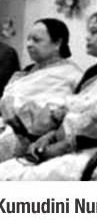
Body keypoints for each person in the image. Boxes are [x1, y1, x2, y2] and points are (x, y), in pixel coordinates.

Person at [0, 9, 97, 180]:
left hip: (95, 151)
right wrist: (50, 137)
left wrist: (63, 145)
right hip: (60, 142)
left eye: (94, 32)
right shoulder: (95, 71)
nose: (87, 37)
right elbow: (72, 113)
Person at [0, 18, 81, 162]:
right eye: (28, 39)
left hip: (30, 139)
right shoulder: (26, 72)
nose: (29, 44)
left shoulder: (71, 76)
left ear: (57, 43)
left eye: (36, 40)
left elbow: (56, 116)